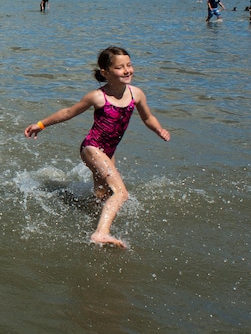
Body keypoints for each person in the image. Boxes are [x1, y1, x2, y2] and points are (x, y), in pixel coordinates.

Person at [24, 46, 171, 248]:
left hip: (109, 152)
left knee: (103, 194)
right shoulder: (98, 97)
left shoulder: (136, 94)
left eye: (129, 65)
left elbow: (148, 117)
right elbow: (68, 112)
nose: (127, 70)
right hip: (92, 148)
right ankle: (101, 233)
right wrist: (40, 125)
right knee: (121, 192)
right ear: (106, 72)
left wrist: (159, 129)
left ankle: (90, 215)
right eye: (120, 67)